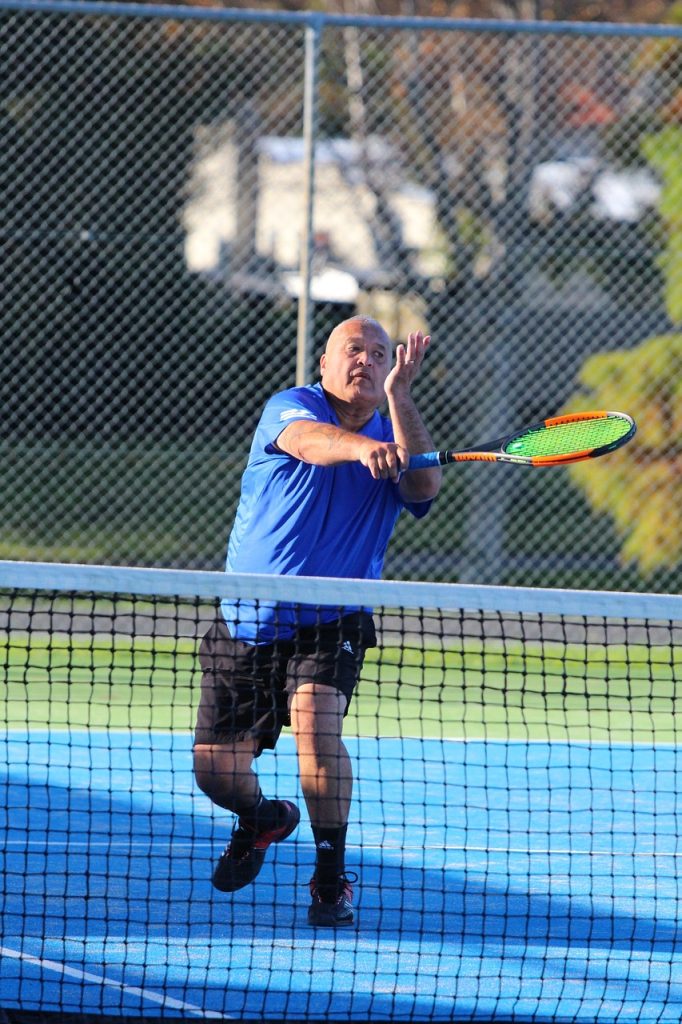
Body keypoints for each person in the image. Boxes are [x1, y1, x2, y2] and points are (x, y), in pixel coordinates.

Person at [193, 315, 442, 927]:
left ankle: (330, 878)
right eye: (353, 349)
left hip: (333, 619)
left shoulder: (397, 431)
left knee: (316, 725)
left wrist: (401, 402)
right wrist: (361, 449)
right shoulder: (291, 408)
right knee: (214, 772)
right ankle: (262, 818)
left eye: (379, 354)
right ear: (325, 364)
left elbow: (424, 486)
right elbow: (308, 442)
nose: (367, 360)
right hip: (248, 619)